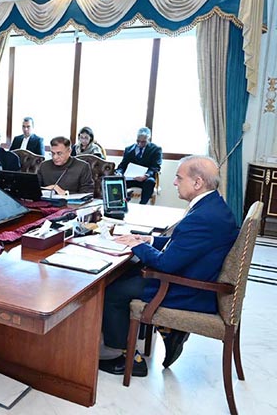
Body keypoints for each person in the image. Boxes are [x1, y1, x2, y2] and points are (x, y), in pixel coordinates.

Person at [100, 156, 239, 377]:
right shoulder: (213, 206)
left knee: (112, 291)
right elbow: (186, 245)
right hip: (196, 275)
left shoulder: (203, 216)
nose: (174, 182)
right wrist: (151, 241)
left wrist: (135, 244)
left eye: (178, 177)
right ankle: (166, 330)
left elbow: (166, 264)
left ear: (197, 182)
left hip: (188, 290)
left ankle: (128, 358)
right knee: (126, 273)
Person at [116, 127, 162, 204]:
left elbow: (155, 167)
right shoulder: (129, 149)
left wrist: (146, 175)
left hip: (145, 179)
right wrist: (119, 172)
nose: (139, 144)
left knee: (150, 182)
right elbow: (122, 165)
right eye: (138, 141)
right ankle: (120, 203)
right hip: (130, 178)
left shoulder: (156, 149)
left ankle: (142, 205)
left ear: (149, 139)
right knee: (117, 180)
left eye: (143, 142)